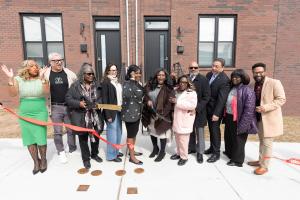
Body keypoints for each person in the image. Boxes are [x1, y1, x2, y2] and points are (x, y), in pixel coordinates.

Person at [1, 60, 49, 174]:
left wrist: (42, 78)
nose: (36, 68)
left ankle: (43, 160)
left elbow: (46, 92)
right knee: (29, 138)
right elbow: (13, 94)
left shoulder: (42, 78)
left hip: (40, 111)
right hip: (25, 112)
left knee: (40, 136)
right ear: (25, 68)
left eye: (36, 66)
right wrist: (10, 78)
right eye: (32, 66)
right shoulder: (18, 79)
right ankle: (36, 162)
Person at [247, 63, 286, 175]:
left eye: (260, 72)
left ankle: (264, 166)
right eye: (256, 72)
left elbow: (281, 99)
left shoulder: (274, 82)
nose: (258, 74)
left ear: (265, 72)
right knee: (262, 141)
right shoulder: (254, 84)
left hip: (269, 118)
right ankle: (261, 160)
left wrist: (265, 107)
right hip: (259, 118)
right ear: (253, 73)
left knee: (267, 143)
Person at [65, 63, 104, 169]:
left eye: (92, 74)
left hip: (95, 116)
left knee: (96, 136)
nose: (91, 76)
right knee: (83, 139)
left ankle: (94, 154)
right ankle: (86, 159)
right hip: (81, 116)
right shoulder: (75, 86)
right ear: (83, 74)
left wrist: (99, 104)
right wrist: (79, 104)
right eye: (88, 74)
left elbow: (102, 97)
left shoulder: (97, 85)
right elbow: (68, 99)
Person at [43, 52, 77, 164]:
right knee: (58, 131)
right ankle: (61, 151)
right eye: (56, 60)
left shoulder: (69, 73)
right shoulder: (45, 74)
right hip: (55, 106)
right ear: (50, 62)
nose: (59, 62)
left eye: (60, 59)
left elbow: (76, 86)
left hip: (68, 106)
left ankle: (72, 148)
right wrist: (40, 77)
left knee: (71, 129)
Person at [224, 69, 258, 167]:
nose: (234, 79)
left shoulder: (247, 90)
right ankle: (230, 153)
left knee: (239, 140)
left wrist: (243, 124)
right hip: (230, 117)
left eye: (237, 77)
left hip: (241, 119)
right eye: (233, 77)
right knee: (229, 137)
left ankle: (237, 161)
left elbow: (249, 110)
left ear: (242, 78)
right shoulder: (232, 88)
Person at [142, 69, 175, 162]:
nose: (160, 77)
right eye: (159, 75)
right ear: (156, 76)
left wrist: (161, 115)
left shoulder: (169, 88)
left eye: (163, 75)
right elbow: (146, 94)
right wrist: (147, 100)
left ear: (165, 77)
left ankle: (162, 151)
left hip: (162, 115)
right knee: (152, 132)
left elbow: (169, 104)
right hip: (151, 113)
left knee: (162, 134)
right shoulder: (150, 86)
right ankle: (155, 148)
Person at [205, 58, 230, 163]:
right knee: (211, 129)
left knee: (215, 131)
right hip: (207, 108)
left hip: (215, 111)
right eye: (213, 65)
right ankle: (211, 148)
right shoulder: (209, 75)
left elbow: (222, 99)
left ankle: (216, 153)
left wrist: (216, 113)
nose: (213, 68)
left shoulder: (224, 80)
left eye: (216, 66)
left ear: (222, 68)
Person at [170, 75, 197, 166]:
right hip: (177, 118)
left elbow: (192, 106)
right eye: (181, 81)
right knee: (177, 138)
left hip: (185, 119)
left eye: (184, 82)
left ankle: (184, 157)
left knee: (183, 140)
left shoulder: (191, 93)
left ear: (188, 83)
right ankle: (179, 153)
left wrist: (177, 102)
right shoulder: (176, 90)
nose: (182, 84)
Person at [187, 61, 210, 164]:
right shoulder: (186, 78)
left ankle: (200, 152)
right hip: (187, 111)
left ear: (198, 68)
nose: (193, 69)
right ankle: (191, 148)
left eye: (195, 67)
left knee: (199, 132)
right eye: (191, 67)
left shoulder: (203, 79)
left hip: (199, 111)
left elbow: (206, 97)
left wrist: (196, 108)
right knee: (189, 131)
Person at [122, 65, 144, 165]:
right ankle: (132, 156)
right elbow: (127, 96)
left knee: (134, 134)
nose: (139, 74)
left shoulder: (137, 83)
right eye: (137, 72)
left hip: (137, 113)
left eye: (140, 72)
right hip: (129, 114)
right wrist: (133, 81)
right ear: (132, 73)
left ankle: (132, 151)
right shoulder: (127, 84)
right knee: (131, 135)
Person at [101, 63, 123, 162]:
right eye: (112, 70)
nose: (114, 72)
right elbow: (104, 100)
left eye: (115, 70)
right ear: (108, 71)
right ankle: (111, 156)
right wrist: (107, 115)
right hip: (111, 112)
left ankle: (116, 151)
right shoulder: (106, 82)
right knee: (112, 134)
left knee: (119, 132)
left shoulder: (117, 82)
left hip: (118, 110)